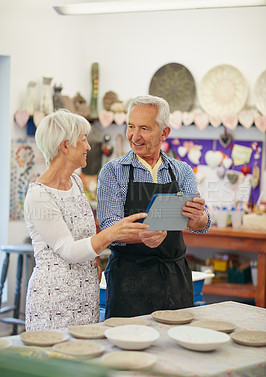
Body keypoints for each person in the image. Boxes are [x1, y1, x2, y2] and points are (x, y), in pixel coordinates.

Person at [24, 109, 148, 331]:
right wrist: (112, 233)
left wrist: (96, 257)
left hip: (85, 296)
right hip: (54, 302)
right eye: (83, 139)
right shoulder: (39, 195)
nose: (89, 146)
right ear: (65, 146)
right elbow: (68, 250)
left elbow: (84, 236)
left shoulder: (76, 182)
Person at [97, 95, 211, 318]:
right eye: (130, 126)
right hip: (129, 280)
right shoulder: (112, 172)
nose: (134, 136)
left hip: (175, 278)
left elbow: (202, 221)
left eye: (144, 129)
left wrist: (199, 219)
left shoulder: (182, 171)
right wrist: (143, 235)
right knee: (129, 348)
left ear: (164, 133)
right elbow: (109, 227)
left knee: (175, 347)